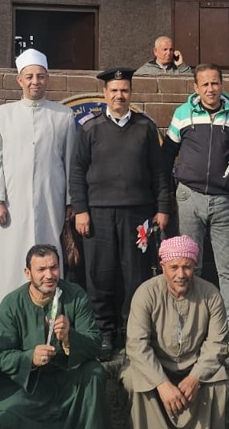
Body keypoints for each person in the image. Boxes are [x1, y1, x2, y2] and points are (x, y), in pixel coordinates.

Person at [70, 67, 172, 359]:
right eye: (114, 90)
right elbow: (77, 172)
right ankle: (104, 332)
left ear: (131, 93)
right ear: (105, 93)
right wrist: (81, 210)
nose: (119, 95)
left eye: (124, 90)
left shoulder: (145, 127)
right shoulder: (90, 128)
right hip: (98, 214)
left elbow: (159, 172)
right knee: (100, 274)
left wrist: (163, 208)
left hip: (138, 214)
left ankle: (133, 333)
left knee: (134, 275)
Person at [0, 244, 108, 429]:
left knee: (94, 373)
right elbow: (1, 355)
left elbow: (95, 343)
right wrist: (30, 358)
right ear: (28, 273)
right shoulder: (11, 304)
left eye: (53, 268)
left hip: (66, 378)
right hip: (28, 385)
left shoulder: (75, 296)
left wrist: (70, 338)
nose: (49, 275)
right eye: (41, 270)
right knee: (7, 415)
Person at [165, 64, 229, 355]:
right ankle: (193, 327)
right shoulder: (182, 114)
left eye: (215, 83)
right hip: (189, 197)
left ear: (222, 84)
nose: (210, 89)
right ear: (195, 87)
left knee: (228, 268)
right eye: (204, 84)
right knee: (190, 264)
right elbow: (167, 154)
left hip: (224, 200)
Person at [0, 49, 77, 312]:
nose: (36, 81)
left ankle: (51, 317)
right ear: (19, 80)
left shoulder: (63, 115)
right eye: (30, 76)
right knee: (9, 262)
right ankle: (6, 319)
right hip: (10, 205)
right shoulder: (1, 115)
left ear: (47, 79)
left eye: (41, 76)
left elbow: (70, 162)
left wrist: (70, 202)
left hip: (50, 202)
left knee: (49, 260)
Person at [121, 236, 229, 429]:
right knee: (133, 379)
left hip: (194, 365)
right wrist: (162, 383)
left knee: (220, 382)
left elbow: (217, 344)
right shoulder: (146, 293)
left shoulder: (210, 295)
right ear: (163, 267)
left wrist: (195, 377)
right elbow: (137, 345)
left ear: (194, 267)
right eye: (174, 267)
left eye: (187, 267)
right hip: (157, 365)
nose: (181, 274)